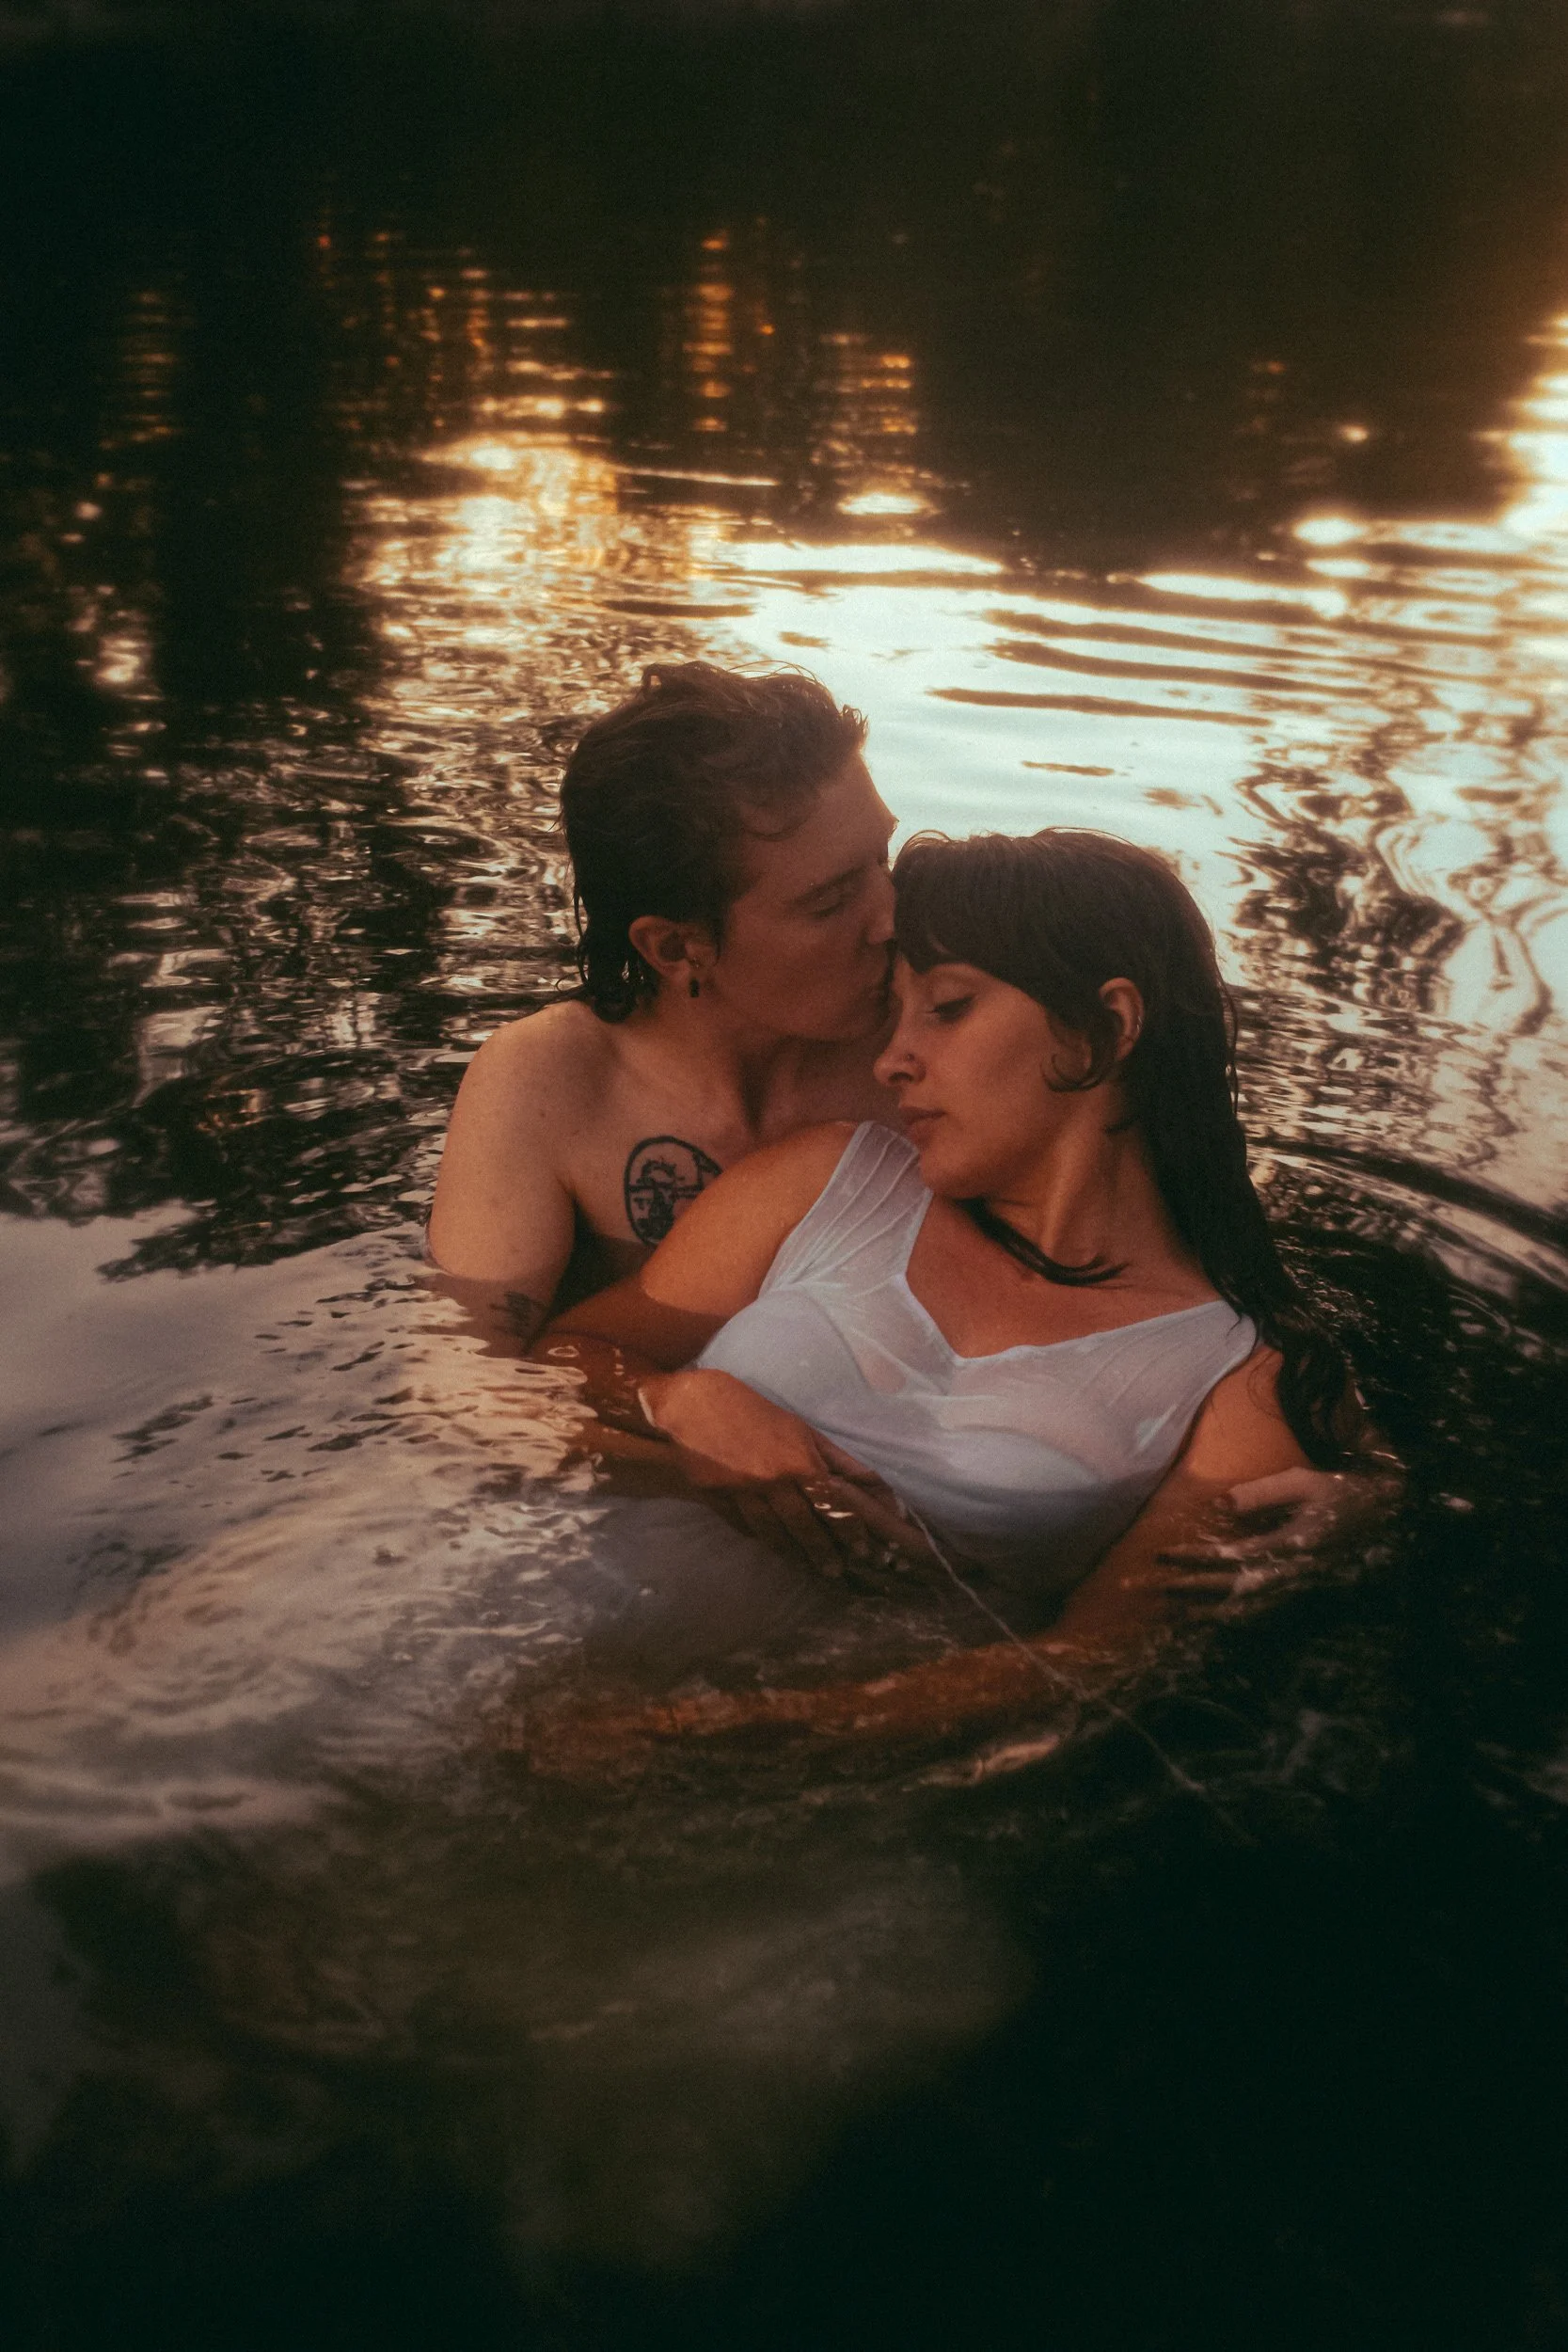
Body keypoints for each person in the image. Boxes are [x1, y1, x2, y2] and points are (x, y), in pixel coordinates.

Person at [507, 828, 1398, 1759]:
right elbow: (553, 1364)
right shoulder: (821, 1182)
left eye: (946, 1008)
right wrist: (678, 1394)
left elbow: (1087, 1664)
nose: (892, 1058)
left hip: (773, 1790)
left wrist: (692, 1739)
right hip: (502, 1626)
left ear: (1103, 1029)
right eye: (894, 1013)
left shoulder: (1232, 1377)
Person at [427, 660, 897, 1341]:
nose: (892, 918)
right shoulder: (553, 1082)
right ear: (676, 949)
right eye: (830, 902)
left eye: (882, 860)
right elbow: (469, 1384)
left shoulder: (934, 1040)